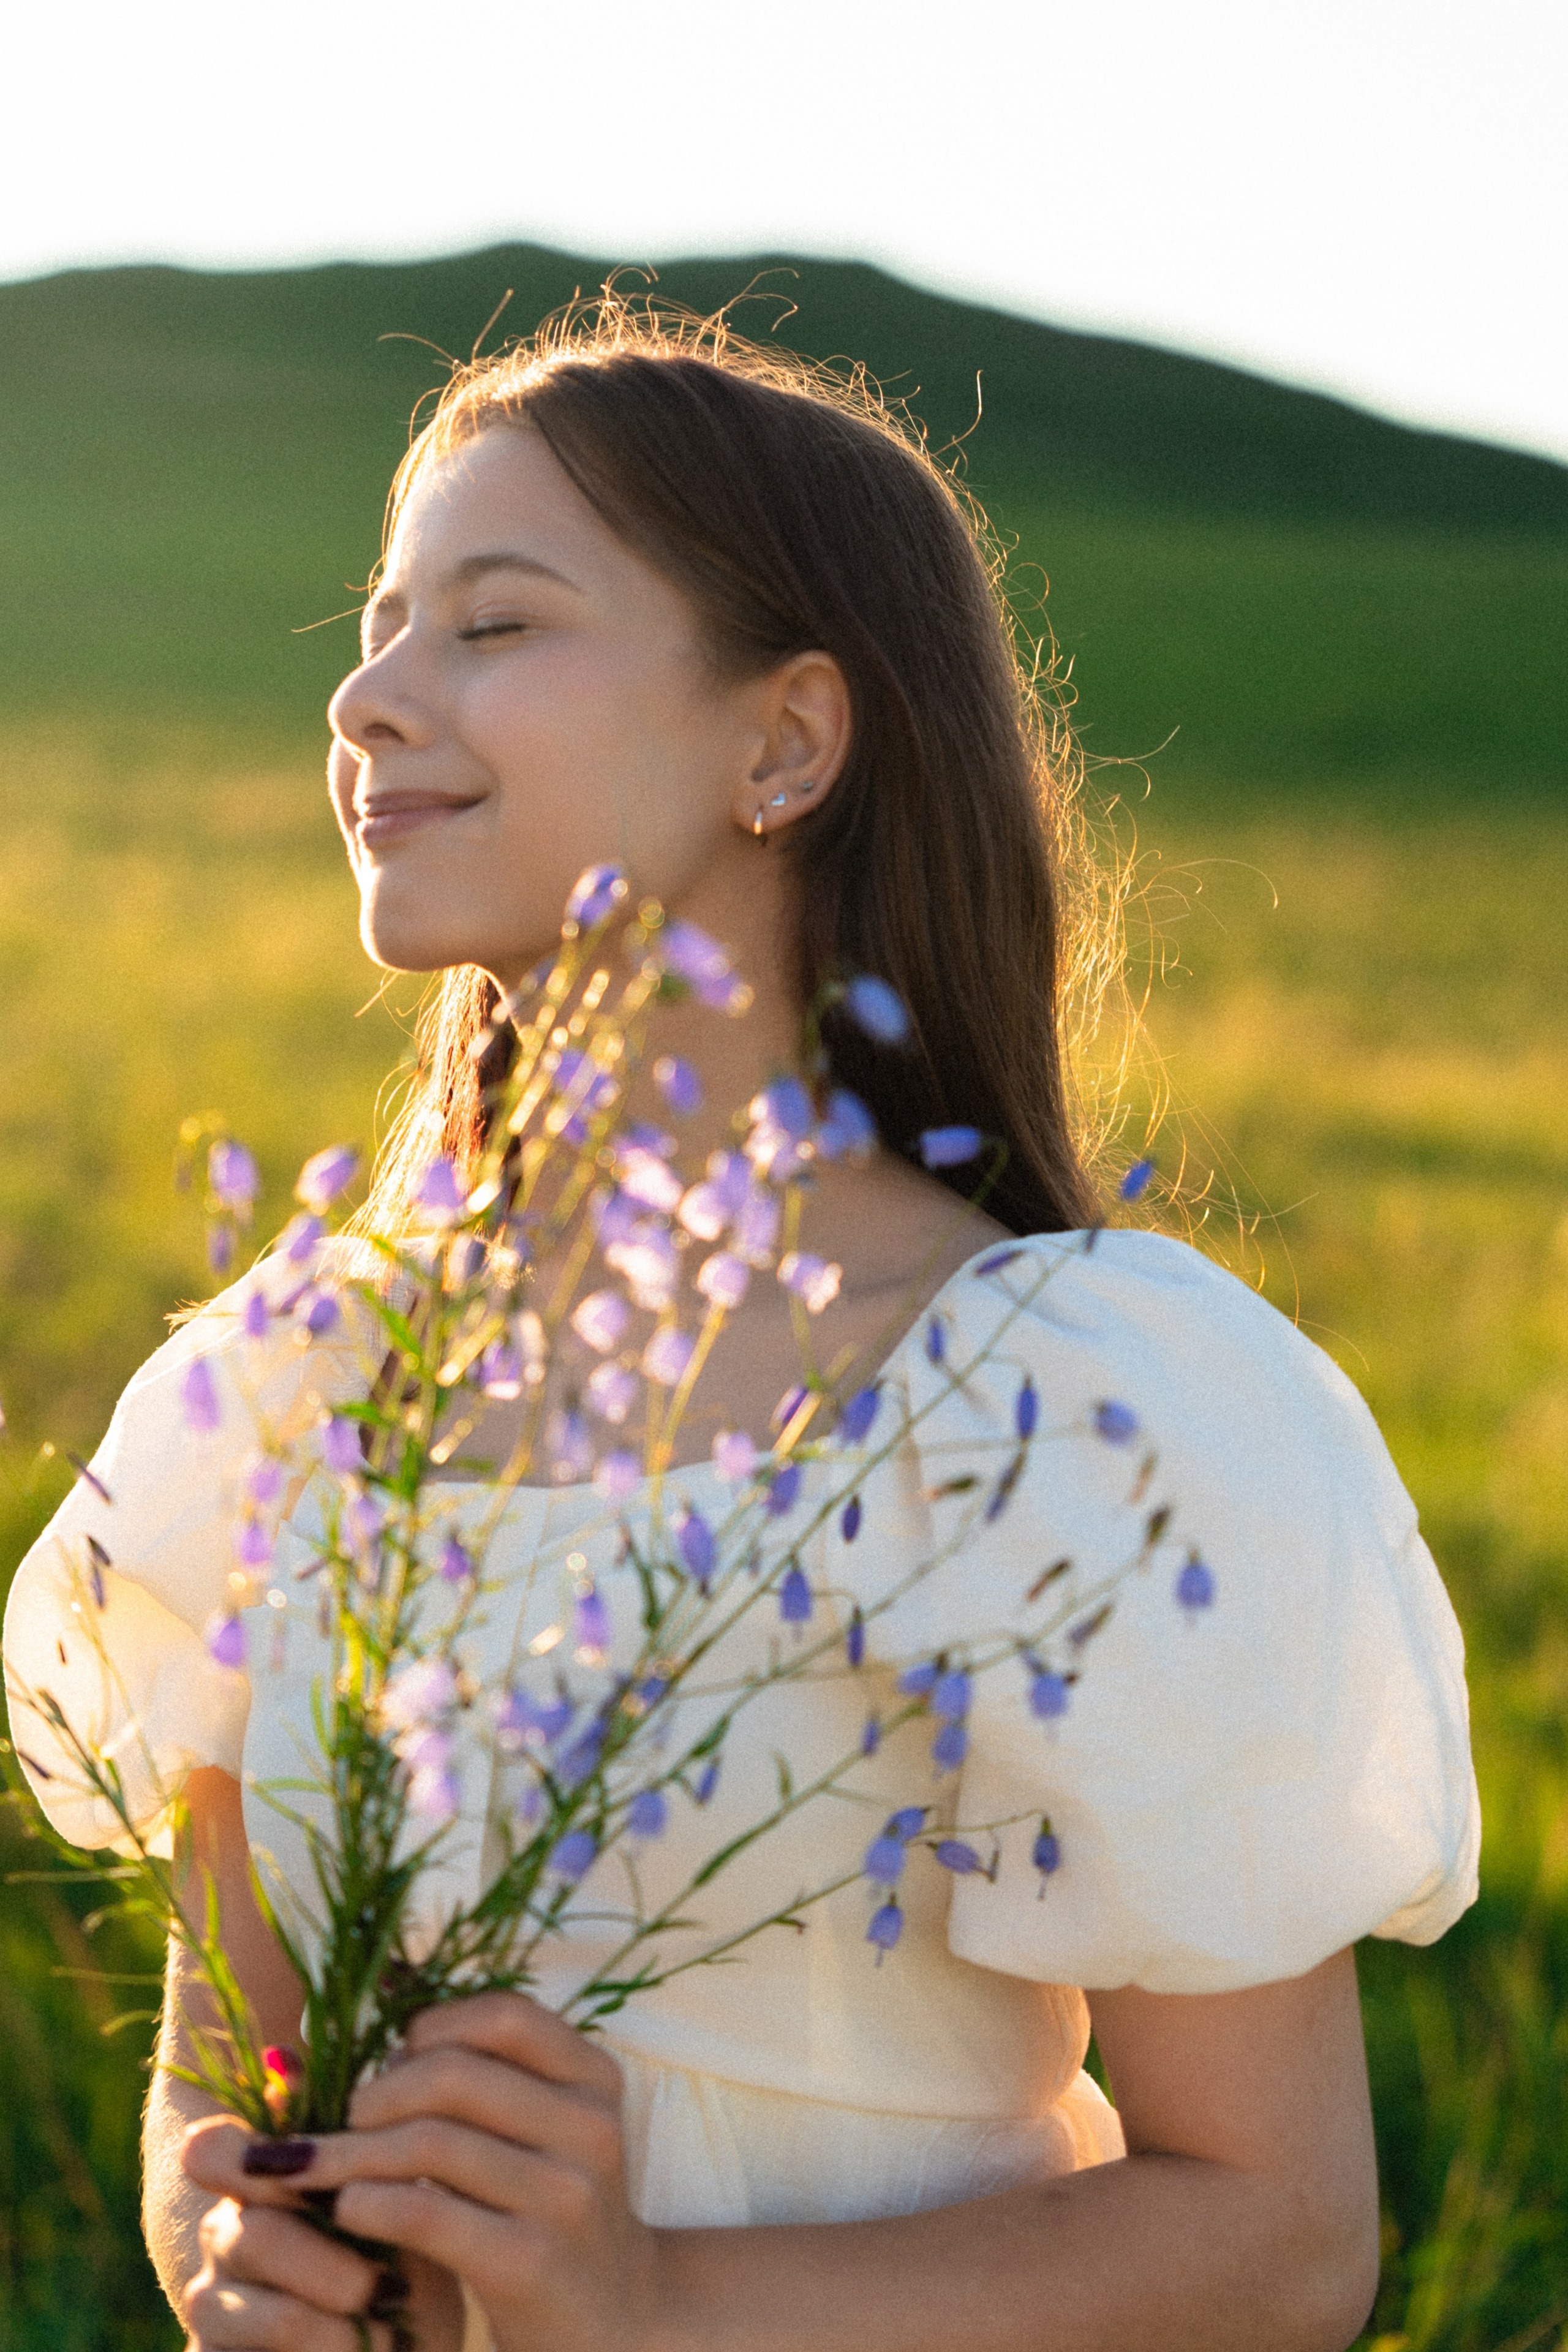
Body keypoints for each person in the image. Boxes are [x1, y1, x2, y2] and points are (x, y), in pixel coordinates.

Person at [4, 300, 1479, 2352]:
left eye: (490, 625)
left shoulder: (1051, 1399)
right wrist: (227, 2244)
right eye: (380, 623)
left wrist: (652, 2301)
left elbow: (1279, 2240)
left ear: (783, 739)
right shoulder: (308, 1383)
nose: (364, 697)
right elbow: (212, 2085)